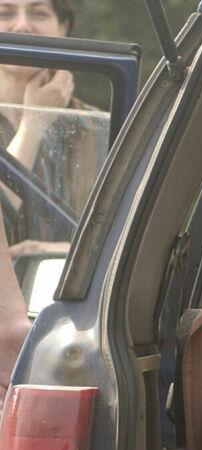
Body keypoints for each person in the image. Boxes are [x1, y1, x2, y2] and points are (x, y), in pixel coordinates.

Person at [0, 0, 104, 395]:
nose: (22, 25)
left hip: (72, 332)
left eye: (38, 12)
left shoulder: (97, 126)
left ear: (63, 27)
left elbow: (122, 234)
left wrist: (52, 249)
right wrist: (34, 123)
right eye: (5, 13)